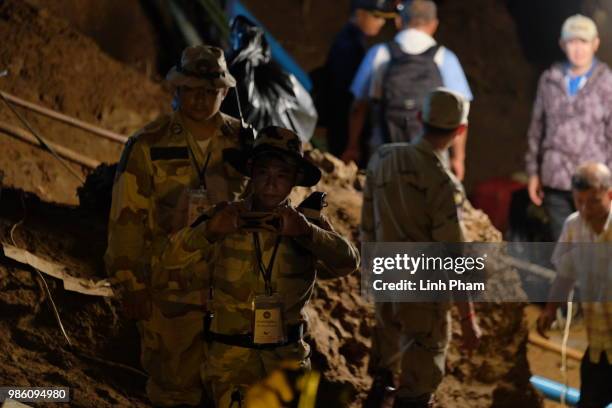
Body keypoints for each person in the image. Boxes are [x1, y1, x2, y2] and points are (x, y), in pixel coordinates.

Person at [160, 126, 360, 407]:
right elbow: (170, 259)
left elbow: (348, 263)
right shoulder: (225, 217)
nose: (271, 183)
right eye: (264, 172)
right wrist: (209, 232)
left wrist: (306, 232)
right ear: (251, 172)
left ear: (295, 180)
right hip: (231, 361)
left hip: (287, 360)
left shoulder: (306, 223)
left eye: (282, 175)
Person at [105, 45, 249, 407]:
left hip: (232, 294)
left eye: (209, 91)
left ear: (226, 92)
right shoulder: (148, 144)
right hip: (170, 293)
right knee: (173, 392)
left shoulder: (245, 143)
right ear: (177, 90)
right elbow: (126, 219)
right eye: (191, 89)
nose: (200, 99)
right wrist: (131, 284)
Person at [361, 88, 481, 408]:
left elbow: (367, 228)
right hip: (423, 296)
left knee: (383, 376)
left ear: (419, 118)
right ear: (460, 130)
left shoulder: (382, 157)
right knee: (416, 389)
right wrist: (468, 319)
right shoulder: (442, 181)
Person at [343, 0, 473, 179]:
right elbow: (460, 115)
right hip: (431, 158)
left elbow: (358, 107)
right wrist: (459, 158)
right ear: (434, 25)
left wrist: (352, 146)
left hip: (384, 152)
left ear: (398, 22)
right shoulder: (446, 58)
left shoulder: (379, 53)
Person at [525, 14, 612, 241]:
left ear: (595, 44)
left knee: (596, 248)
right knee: (564, 248)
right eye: (572, 42)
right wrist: (533, 172)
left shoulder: (607, 83)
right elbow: (537, 127)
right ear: (563, 44)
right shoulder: (549, 79)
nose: (578, 49)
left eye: (584, 42)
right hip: (556, 179)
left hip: (595, 185)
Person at [537, 162, 612, 408]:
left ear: (609, 194)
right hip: (598, 344)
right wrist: (550, 309)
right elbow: (565, 275)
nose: (585, 210)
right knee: (590, 399)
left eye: (593, 202)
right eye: (579, 202)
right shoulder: (573, 226)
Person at [317, 0, 395, 157]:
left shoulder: (351, 40)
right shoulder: (349, 45)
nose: (382, 22)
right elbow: (347, 96)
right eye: (377, 16)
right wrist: (352, 142)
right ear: (360, 14)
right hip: (345, 130)